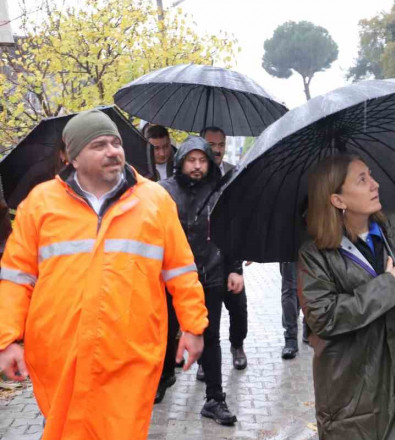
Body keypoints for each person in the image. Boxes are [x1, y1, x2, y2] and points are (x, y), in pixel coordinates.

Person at [0, 110, 207, 439]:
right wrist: (7, 339)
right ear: (73, 157)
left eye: (116, 143)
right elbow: (16, 276)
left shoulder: (154, 201)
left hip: (130, 352)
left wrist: (194, 326)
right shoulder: (40, 204)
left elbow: (181, 270)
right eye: (99, 145)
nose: (113, 151)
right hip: (59, 354)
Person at [298, 154, 395, 440]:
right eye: (362, 180)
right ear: (338, 200)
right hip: (354, 405)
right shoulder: (314, 255)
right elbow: (323, 317)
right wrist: (388, 286)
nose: (375, 185)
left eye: (371, 175)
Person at [157, 136, 242, 425]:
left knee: (211, 337)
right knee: (166, 332)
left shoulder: (220, 192)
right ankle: (163, 377)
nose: (196, 166)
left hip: (210, 275)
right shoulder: (162, 192)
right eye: (191, 160)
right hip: (169, 279)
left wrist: (235, 269)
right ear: (180, 161)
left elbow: (230, 234)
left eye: (202, 160)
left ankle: (215, 399)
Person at [199, 126, 248, 369]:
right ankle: (205, 361)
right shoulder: (194, 175)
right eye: (212, 145)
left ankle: (237, 344)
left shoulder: (232, 173)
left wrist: (238, 263)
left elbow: (241, 215)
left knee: (238, 307)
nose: (217, 150)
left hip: (230, 253)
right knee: (208, 314)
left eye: (221, 145)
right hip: (204, 257)